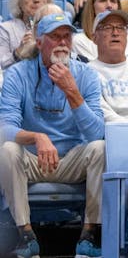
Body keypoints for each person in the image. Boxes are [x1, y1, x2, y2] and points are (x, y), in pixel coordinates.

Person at [0, 13, 105, 258]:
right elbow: (5, 130)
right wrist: (37, 136)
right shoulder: (17, 74)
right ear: (39, 42)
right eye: (54, 37)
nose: (62, 43)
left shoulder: (86, 74)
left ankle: (89, 234)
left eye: (66, 36)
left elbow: (97, 132)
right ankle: (26, 235)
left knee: (100, 148)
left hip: (71, 160)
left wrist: (72, 93)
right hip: (33, 160)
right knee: (6, 150)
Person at [0, 0, 51, 69]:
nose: (36, 0)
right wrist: (18, 52)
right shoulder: (5, 29)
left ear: (47, 1)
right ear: (19, 1)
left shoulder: (56, 28)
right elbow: (1, 64)